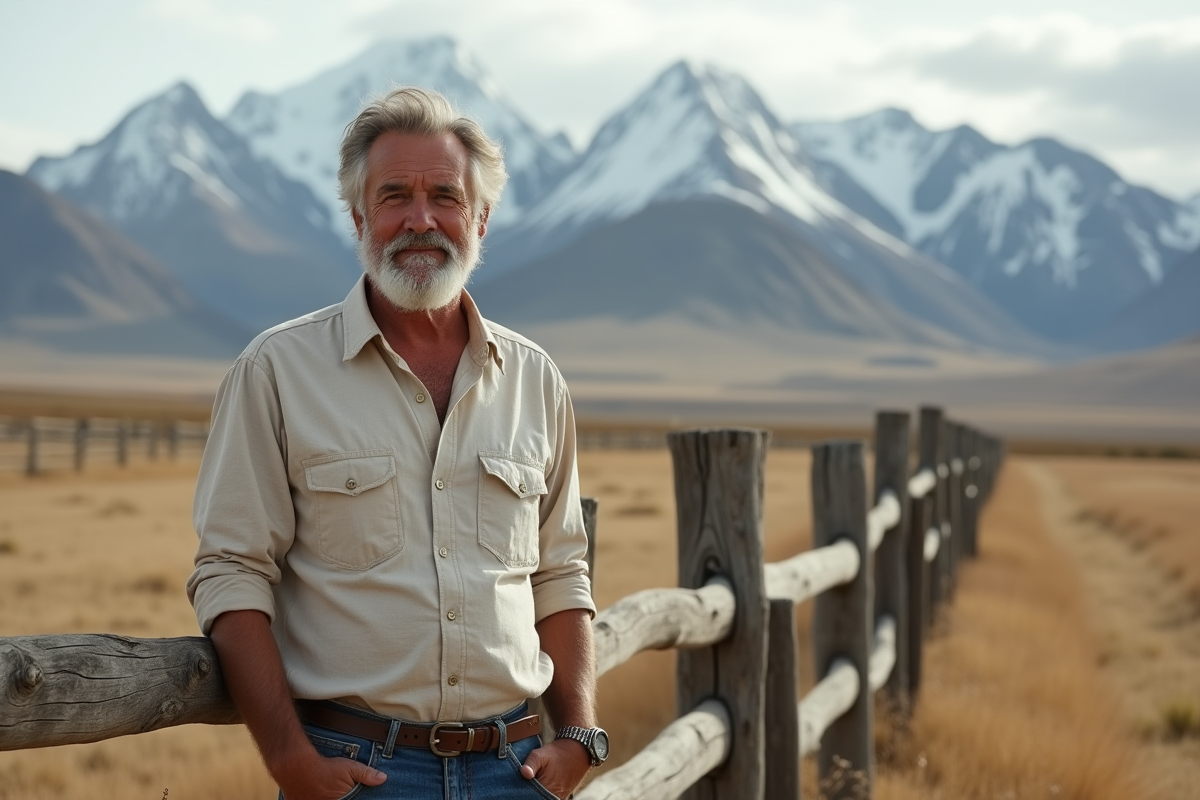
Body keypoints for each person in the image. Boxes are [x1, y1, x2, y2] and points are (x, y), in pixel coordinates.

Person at [187, 87, 605, 800]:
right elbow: (231, 571)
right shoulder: (277, 372)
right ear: (358, 217)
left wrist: (578, 734)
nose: (420, 219)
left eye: (445, 196)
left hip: (517, 769)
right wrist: (290, 761)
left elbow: (560, 572)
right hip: (358, 770)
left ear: (481, 217)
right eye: (393, 197)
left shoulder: (535, 380)